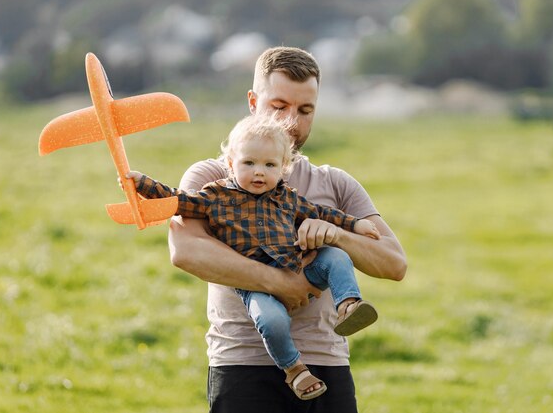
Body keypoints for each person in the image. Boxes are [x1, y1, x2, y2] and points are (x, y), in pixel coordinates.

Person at [168, 46, 407, 413]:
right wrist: (278, 283)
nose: (291, 122)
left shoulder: (336, 184)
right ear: (252, 100)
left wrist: (336, 233)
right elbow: (186, 251)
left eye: (305, 110)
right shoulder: (210, 177)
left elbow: (394, 263)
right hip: (241, 366)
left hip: (327, 364)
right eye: (278, 106)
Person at [125, 114, 381, 400]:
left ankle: (348, 304)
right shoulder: (216, 196)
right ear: (231, 164)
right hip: (256, 286)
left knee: (334, 256)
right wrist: (142, 185)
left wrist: (355, 224)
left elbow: (323, 214)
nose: (259, 172)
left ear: (283, 169)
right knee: (271, 322)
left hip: (297, 266)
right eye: (249, 163)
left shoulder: (288, 197)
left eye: (269, 165)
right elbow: (178, 200)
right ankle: (295, 369)